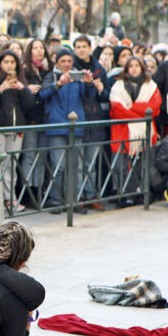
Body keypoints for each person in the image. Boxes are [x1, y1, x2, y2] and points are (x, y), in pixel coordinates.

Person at [39, 47, 95, 213]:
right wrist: (58, 84)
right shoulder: (51, 76)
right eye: (63, 61)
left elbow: (88, 97)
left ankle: (73, 201)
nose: (66, 64)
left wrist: (89, 82)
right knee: (58, 165)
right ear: (56, 62)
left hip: (76, 126)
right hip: (56, 126)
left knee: (75, 167)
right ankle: (55, 200)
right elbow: (42, 95)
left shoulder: (78, 76)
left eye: (69, 61)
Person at [109, 56, 162, 208]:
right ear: (126, 69)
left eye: (136, 65)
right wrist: (140, 111)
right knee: (121, 166)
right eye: (130, 66)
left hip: (145, 133)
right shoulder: (117, 86)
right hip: (122, 131)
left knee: (143, 165)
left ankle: (141, 193)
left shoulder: (151, 86)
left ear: (142, 68)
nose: (133, 68)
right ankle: (124, 195)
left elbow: (153, 109)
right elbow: (118, 111)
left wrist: (130, 107)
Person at [0, 50, 35, 212]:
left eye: (12, 62)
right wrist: (1, 88)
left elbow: (30, 104)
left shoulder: (21, 80)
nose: (9, 65)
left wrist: (22, 89)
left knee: (11, 165)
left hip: (16, 128)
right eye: (6, 62)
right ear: (0, 64)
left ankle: (10, 198)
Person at [72, 35, 108, 211]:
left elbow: (108, 95)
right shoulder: (71, 67)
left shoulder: (98, 68)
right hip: (78, 119)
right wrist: (88, 85)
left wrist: (101, 89)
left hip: (95, 120)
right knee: (78, 164)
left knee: (91, 163)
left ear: (89, 47)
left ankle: (90, 194)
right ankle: (77, 197)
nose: (81, 49)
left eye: (84, 46)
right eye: (77, 46)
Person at [21, 39, 51, 205]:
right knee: (30, 156)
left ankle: (39, 191)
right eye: (35, 48)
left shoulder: (46, 70)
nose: (39, 51)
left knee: (41, 157)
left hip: (43, 118)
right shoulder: (25, 70)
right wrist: (28, 90)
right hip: (30, 119)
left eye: (41, 48)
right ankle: (27, 191)